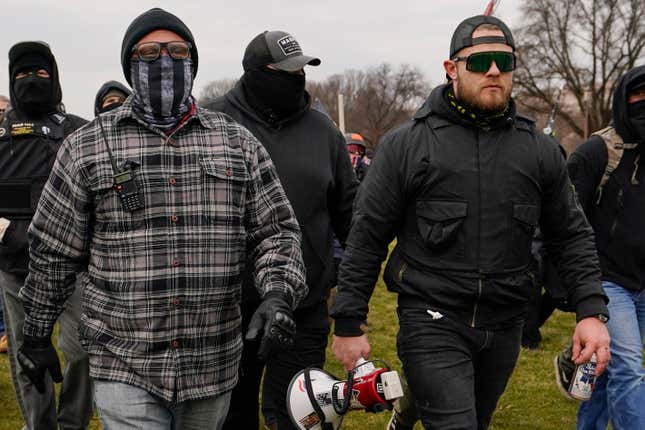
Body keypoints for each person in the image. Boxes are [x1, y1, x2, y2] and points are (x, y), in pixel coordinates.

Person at [17, 9, 307, 429]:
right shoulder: (88, 146)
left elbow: (276, 231)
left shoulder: (236, 142)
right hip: (124, 361)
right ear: (129, 65)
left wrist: (278, 292)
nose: (164, 61)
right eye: (149, 52)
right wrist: (38, 331)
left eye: (177, 51)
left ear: (192, 61)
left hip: (213, 362)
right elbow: (53, 249)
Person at [330, 14, 611, 430]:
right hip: (431, 318)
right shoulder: (407, 145)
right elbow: (367, 236)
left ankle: (408, 410)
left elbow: (571, 234)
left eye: (504, 60)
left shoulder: (541, 151)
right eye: (480, 62)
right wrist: (349, 321)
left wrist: (591, 310)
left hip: (505, 324)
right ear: (451, 69)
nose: (494, 70)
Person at [206, 30, 358, 430]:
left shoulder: (324, 133)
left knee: (303, 415)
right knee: (229, 418)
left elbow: (349, 215)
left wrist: (345, 285)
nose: (297, 79)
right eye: (286, 72)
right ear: (256, 73)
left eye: (302, 70)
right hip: (226, 309)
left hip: (303, 305)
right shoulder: (212, 124)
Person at [0, 41, 92, 430]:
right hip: (14, 267)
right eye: (22, 74)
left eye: (39, 72)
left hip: (73, 268)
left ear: (53, 77)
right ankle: (39, 426)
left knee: (81, 352)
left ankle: (72, 423)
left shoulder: (79, 132)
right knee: (25, 358)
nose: (31, 80)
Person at [559, 65, 645, 430]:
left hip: (643, 280)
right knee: (630, 369)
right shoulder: (596, 152)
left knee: (607, 367)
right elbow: (563, 220)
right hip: (607, 282)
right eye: (638, 96)